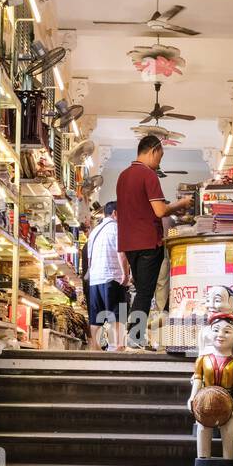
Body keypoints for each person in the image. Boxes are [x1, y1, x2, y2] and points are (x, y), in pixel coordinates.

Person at [115, 134, 191, 348]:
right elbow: (159, 211)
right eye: (160, 156)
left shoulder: (123, 176)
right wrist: (181, 203)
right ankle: (135, 337)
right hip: (148, 241)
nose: (160, 161)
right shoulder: (148, 175)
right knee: (146, 292)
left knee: (142, 290)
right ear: (153, 151)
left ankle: (134, 336)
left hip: (129, 243)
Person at [86, 200, 130, 350]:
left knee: (96, 317)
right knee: (118, 314)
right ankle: (119, 346)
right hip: (112, 276)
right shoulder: (116, 228)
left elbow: (89, 259)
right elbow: (121, 253)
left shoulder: (94, 232)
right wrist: (125, 274)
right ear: (115, 213)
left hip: (95, 279)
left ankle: (96, 348)